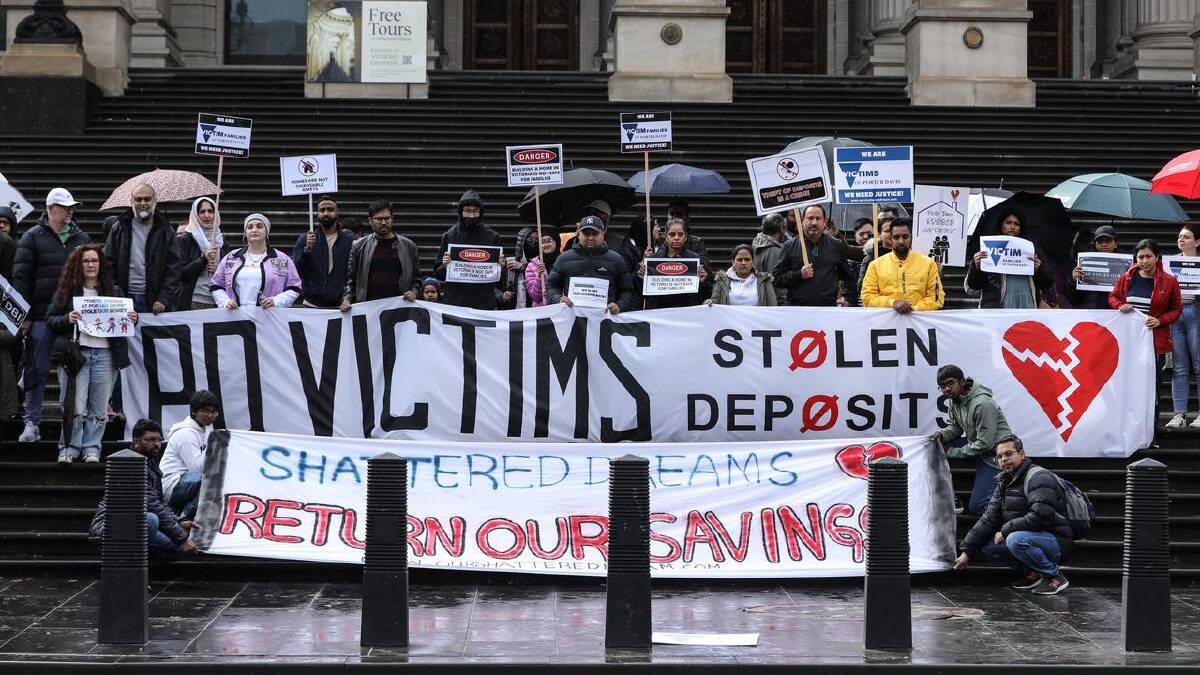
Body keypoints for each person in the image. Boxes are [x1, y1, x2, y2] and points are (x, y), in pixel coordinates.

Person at [12, 188, 91, 443]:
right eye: (65, 206)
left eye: (71, 207)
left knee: (74, 372)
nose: (70, 211)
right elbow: (21, 278)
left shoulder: (81, 238)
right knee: (36, 369)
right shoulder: (32, 237)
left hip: (74, 316)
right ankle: (32, 422)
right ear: (50, 209)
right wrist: (24, 315)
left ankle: (71, 427)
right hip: (41, 315)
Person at [45, 244, 137, 463]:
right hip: (76, 356)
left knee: (99, 408)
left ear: (101, 264)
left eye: (94, 260)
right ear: (79, 265)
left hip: (106, 355)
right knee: (73, 406)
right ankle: (68, 448)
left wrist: (133, 318)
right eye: (86, 261)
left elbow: (125, 322)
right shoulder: (66, 293)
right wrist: (66, 319)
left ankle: (92, 448)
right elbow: (50, 319)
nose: (91, 265)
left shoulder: (114, 292)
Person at [954, 435, 1074, 595]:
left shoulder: (1039, 478)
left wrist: (1005, 530)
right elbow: (988, 518)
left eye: (1008, 454)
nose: (1004, 459)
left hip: (1055, 540)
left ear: (1022, 454)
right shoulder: (1004, 481)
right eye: (1000, 456)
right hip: (1030, 537)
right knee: (987, 545)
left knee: (1015, 539)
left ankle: (1054, 576)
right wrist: (967, 550)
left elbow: (1040, 516)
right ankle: (1035, 573)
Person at [87, 419, 196, 558]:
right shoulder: (131, 465)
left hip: (132, 524)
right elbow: (153, 506)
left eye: (159, 439)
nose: (157, 444)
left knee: (166, 537)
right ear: (136, 442)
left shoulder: (151, 464)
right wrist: (181, 538)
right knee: (151, 520)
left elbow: (160, 503)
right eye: (150, 439)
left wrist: (178, 521)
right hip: (107, 530)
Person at [1109, 238, 1182, 424]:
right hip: (1128, 342)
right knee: (1127, 386)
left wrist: (1160, 320)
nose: (1144, 261)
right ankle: (1126, 427)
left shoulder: (1170, 281)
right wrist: (1120, 305)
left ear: (1157, 257)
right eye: (1140, 257)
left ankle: (1151, 430)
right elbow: (1113, 297)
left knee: (1152, 388)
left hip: (1154, 343)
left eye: (1148, 256)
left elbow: (1176, 309)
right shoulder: (1126, 278)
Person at [931, 365, 1013, 515]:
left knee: (977, 506)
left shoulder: (983, 404)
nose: (947, 389)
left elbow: (985, 444)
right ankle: (951, 497)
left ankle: (1013, 508)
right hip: (979, 448)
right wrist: (942, 435)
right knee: (935, 447)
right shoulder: (955, 401)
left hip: (996, 456)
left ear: (962, 382)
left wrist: (953, 452)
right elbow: (955, 428)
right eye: (942, 386)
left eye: (950, 383)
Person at [102, 183, 180, 314]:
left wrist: (164, 298)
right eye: (138, 199)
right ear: (131, 201)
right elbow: (108, 263)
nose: (143, 203)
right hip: (123, 299)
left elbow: (174, 268)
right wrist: (114, 294)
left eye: (147, 199)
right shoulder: (119, 227)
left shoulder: (166, 230)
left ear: (155, 200)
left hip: (154, 301)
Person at [546, 215, 636, 314]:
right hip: (573, 321)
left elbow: (627, 290)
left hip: (605, 322)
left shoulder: (616, 259)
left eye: (595, 233)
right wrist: (558, 300)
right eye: (586, 233)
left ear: (603, 233)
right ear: (578, 234)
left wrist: (619, 305)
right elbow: (551, 286)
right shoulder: (564, 259)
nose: (590, 237)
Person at [771, 204, 857, 307]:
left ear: (825, 222)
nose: (814, 222)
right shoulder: (789, 246)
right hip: (797, 308)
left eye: (818, 218)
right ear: (802, 221)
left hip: (827, 308)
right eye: (810, 218)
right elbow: (776, 279)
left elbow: (848, 278)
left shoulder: (836, 245)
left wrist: (848, 299)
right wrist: (799, 274)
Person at [210, 214, 302, 310]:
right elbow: (216, 285)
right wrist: (225, 302)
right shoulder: (231, 257)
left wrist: (276, 301)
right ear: (245, 233)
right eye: (250, 227)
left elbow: (294, 287)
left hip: (270, 317)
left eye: (259, 226)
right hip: (236, 318)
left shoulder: (283, 259)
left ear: (267, 231)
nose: (254, 230)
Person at [341, 200, 421, 310]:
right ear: (370, 220)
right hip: (369, 310)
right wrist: (347, 300)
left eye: (387, 218)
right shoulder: (358, 246)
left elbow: (417, 279)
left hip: (399, 308)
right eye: (379, 219)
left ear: (392, 218)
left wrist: (414, 292)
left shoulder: (409, 246)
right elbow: (351, 280)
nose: (383, 222)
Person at [435, 190, 506, 310]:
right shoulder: (450, 236)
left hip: (483, 302)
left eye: (475, 211)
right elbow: (438, 272)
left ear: (481, 212)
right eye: (467, 211)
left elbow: (500, 281)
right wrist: (445, 265)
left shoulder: (493, 237)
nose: (471, 216)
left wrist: (501, 267)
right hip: (456, 302)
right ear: (460, 212)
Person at [966, 209, 1051, 308]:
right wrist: (976, 267)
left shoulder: (1030, 249)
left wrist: (1039, 270)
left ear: (1021, 228)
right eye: (1008, 222)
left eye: (1016, 224)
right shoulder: (989, 249)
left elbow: (1046, 284)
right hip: (998, 307)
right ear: (1001, 225)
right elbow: (974, 286)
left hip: (1027, 304)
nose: (1012, 227)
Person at [860, 219, 944, 313]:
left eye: (905, 237)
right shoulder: (875, 265)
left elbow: (937, 298)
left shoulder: (928, 264)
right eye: (896, 237)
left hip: (918, 324)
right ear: (890, 239)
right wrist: (892, 303)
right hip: (886, 325)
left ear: (911, 238)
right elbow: (867, 297)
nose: (901, 241)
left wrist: (913, 310)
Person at [160, 390, 219, 521]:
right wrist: (213, 443)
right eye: (205, 411)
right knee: (209, 481)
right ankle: (181, 520)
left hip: (187, 482)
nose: (209, 415)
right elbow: (197, 469)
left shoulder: (206, 429)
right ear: (193, 411)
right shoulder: (186, 434)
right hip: (172, 484)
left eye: (213, 412)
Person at [293, 195, 354, 309]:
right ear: (317, 214)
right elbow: (295, 273)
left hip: (341, 307)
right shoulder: (305, 240)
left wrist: (348, 298)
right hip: (311, 306)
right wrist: (307, 251)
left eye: (330, 210)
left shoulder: (349, 241)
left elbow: (353, 275)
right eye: (322, 210)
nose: (326, 213)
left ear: (337, 213)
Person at [1167, 224, 1200, 428]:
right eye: (1180, 236)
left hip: (1196, 313)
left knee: (1198, 365)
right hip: (1176, 313)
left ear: (1197, 241)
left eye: (1186, 237)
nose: (1181, 240)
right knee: (1179, 368)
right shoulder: (1170, 263)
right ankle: (1179, 414)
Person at [638, 218, 711, 309]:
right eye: (672, 234)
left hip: (687, 312)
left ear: (686, 237)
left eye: (680, 234)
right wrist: (641, 279)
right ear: (666, 236)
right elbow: (642, 294)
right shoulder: (654, 259)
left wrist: (703, 282)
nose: (676, 238)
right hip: (660, 312)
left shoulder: (696, 259)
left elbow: (706, 294)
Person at [172, 197, 225, 310]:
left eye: (210, 211)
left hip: (219, 301)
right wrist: (203, 259)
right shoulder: (185, 239)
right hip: (195, 300)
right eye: (202, 211)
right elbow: (180, 273)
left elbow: (230, 271)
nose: (207, 215)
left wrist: (218, 268)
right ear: (195, 215)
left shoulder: (221, 240)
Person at [1066, 225, 1120, 309]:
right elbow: (1074, 300)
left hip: (1113, 316)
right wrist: (1073, 281)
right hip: (1090, 316)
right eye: (1100, 241)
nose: (1104, 244)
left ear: (1115, 244)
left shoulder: (1125, 267)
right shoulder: (1084, 264)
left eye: (1108, 241)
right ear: (1095, 245)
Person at [706, 244, 777, 307]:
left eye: (747, 259)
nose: (743, 263)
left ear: (752, 262)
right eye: (740, 260)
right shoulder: (721, 280)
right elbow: (715, 302)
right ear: (733, 262)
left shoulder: (764, 280)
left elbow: (772, 306)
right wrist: (710, 302)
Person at [752, 213, 788, 304]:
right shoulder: (775, 251)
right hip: (772, 302)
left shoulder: (757, 244)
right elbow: (776, 280)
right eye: (784, 227)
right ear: (781, 228)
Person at [857, 215, 894, 300]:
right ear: (879, 234)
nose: (892, 234)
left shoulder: (906, 255)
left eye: (894, 230)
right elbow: (861, 287)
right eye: (887, 231)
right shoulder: (871, 258)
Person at [524, 231, 561, 307]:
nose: (546, 245)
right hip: (541, 312)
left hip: (560, 308)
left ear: (556, 242)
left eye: (549, 241)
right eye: (543, 242)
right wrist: (539, 277)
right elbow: (535, 296)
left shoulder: (564, 261)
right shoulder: (531, 266)